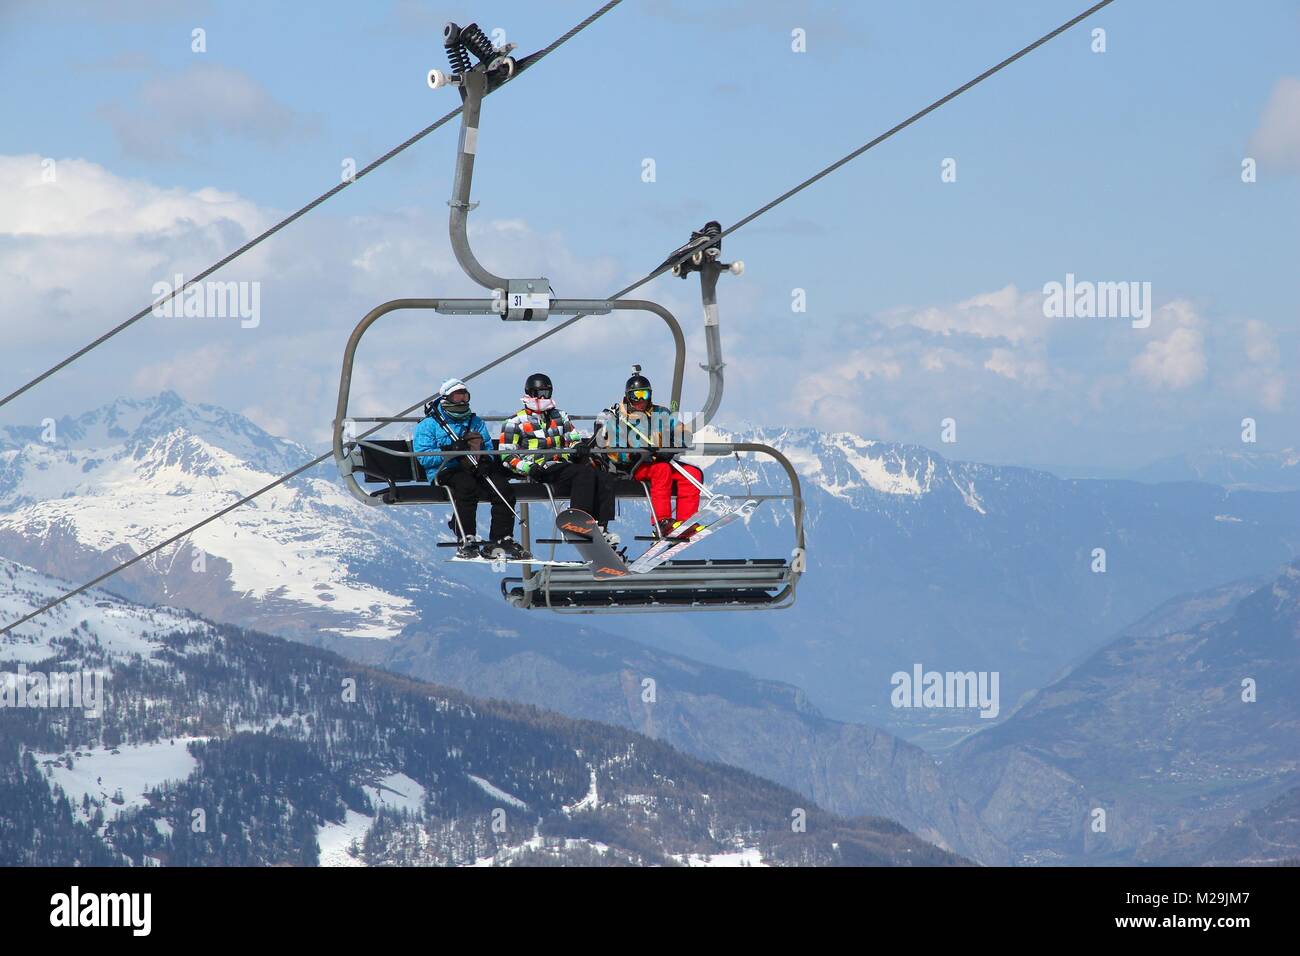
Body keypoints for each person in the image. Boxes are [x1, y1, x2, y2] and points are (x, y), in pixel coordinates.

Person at [499, 372, 620, 547]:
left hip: (562, 467)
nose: (542, 397)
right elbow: (506, 455)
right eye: (539, 393)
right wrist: (528, 468)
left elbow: (573, 438)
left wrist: (578, 448)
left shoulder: (559, 416)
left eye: (546, 393)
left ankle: (601, 526)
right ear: (529, 393)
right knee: (583, 473)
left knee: (603, 476)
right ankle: (579, 522)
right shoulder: (515, 421)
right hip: (539, 468)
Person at [413, 377, 527, 560]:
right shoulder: (429, 425)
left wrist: (485, 462)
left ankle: (501, 539)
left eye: (465, 396)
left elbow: (488, 448)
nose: (462, 401)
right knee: (466, 486)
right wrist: (449, 451)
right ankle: (466, 537)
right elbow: (423, 458)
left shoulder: (475, 422)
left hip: (473, 467)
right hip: (445, 469)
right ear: (446, 398)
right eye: (457, 397)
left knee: (502, 487)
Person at [597, 367, 703, 537]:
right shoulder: (619, 418)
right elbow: (613, 449)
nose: (640, 400)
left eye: (644, 395)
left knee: (693, 473)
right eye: (635, 396)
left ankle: (686, 521)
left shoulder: (660, 413)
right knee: (662, 470)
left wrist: (672, 446)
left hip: (661, 461)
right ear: (628, 396)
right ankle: (662, 521)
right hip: (636, 466)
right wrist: (636, 452)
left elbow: (683, 433)